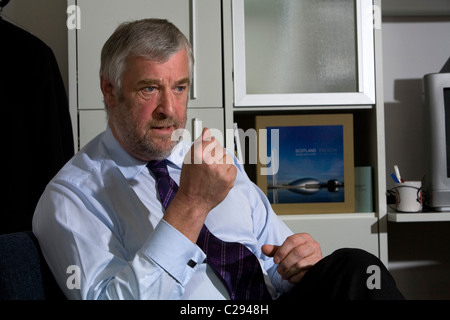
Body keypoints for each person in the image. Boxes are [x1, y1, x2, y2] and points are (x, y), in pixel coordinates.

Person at [32, 18, 404, 300]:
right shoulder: (69, 197)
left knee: (356, 267)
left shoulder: (210, 160)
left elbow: (274, 260)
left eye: (179, 87)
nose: (170, 109)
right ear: (109, 90)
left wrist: (295, 263)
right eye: (149, 89)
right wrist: (190, 205)